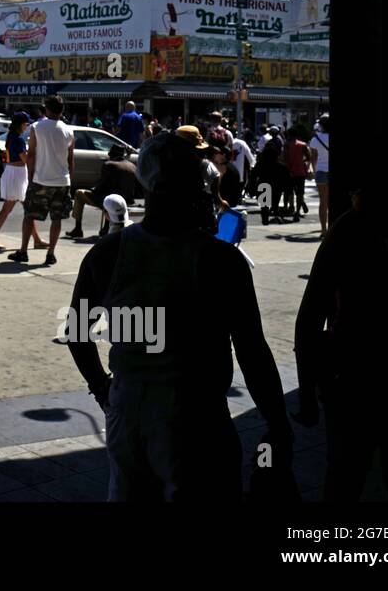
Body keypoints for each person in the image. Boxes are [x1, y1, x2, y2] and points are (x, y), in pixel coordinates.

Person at [66, 129, 294, 501]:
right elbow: (252, 351)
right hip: (196, 414)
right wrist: (277, 422)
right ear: (197, 189)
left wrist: (103, 389)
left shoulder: (108, 253)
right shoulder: (221, 260)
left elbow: (77, 331)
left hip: (128, 411)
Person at [294, 185, 388, 500]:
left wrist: (307, 391)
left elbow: (310, 319)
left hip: (351, 370)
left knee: (345, 475)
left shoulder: (346, 230)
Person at [10, 94, 74, 266]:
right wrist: (70, 180)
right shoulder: (69, 130)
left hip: (41, 180)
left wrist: (30, 177)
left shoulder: (37, 127)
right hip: (62, 181)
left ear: (47, 109)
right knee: (57, 219)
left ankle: (23, 251)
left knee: (29, 215)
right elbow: (70, 159)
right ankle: (51, 253)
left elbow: (31, 155)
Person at [66, 143, 138, 239]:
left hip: (110, 199)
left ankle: (78, 229)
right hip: (127, 200)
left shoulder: (108, 164)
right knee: (109, 196)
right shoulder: (132, 166)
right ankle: (105, 228)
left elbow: (101, 187)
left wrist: (93, 190)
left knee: (79, 193)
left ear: (111, 155)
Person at [0, 112, 31, 249]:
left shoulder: (11, 137)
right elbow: (25, 159)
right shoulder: (19, 139)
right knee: (8, 209)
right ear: (20, 124)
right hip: (17, 173)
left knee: (28, 208)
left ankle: (36, 238)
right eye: (25, 124)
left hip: (13, 172)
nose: (26, 127)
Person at [307, 114, 331, 235]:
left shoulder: (315, 139)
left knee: (323, 201)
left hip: (321, 171)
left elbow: (313, 158)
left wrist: (314, 171)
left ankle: (323, 230)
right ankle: (333, 228)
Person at [283, 127, 310, 220]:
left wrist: (289, 168)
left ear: (289, 135)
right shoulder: (303, 145)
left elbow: (284, 158)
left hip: (289, 173)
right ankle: (297, 212)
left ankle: (291, 208)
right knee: (300, 193)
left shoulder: (286, 145)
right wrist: (302, 162)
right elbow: (309, 157)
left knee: (290, 192)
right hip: (300, 172)